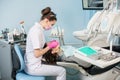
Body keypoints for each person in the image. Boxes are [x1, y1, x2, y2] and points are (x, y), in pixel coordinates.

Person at [24, 7, 66, 80]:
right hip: (34, 67)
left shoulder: (38, 30)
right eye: (52, 24)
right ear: (46, 21)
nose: (51, 27)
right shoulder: (36, 32)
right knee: (62, 71)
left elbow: (41, 45)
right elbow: (37, 54)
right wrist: (50, 46)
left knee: (55, 66)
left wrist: (52, 43)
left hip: (32, 64)